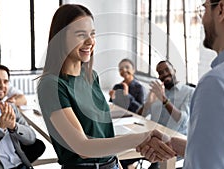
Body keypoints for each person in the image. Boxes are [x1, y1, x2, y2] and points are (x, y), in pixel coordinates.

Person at [37, 4, 173, 169]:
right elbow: (82, 147)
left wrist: (116, 162)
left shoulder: (91, 76)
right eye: (81, 35)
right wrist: (141, 138)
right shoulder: (51, 85)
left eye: (92, 34)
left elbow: (103, 132)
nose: (90, 41)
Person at [137, 0, 224, 168]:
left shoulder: (219, 82)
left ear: (221, 10)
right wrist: (173, 143)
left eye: (204, 9)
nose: (202, 19)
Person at [139, 60, 194, 136]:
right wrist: (148, 103)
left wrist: (164, 99)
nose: (164, 74)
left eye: (167, 70)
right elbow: (140, 116)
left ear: (174, 71)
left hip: (175, 138)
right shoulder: (156, 91)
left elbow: (182, 121)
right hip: (154, 136)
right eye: (160, 73)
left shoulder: (189, 92)